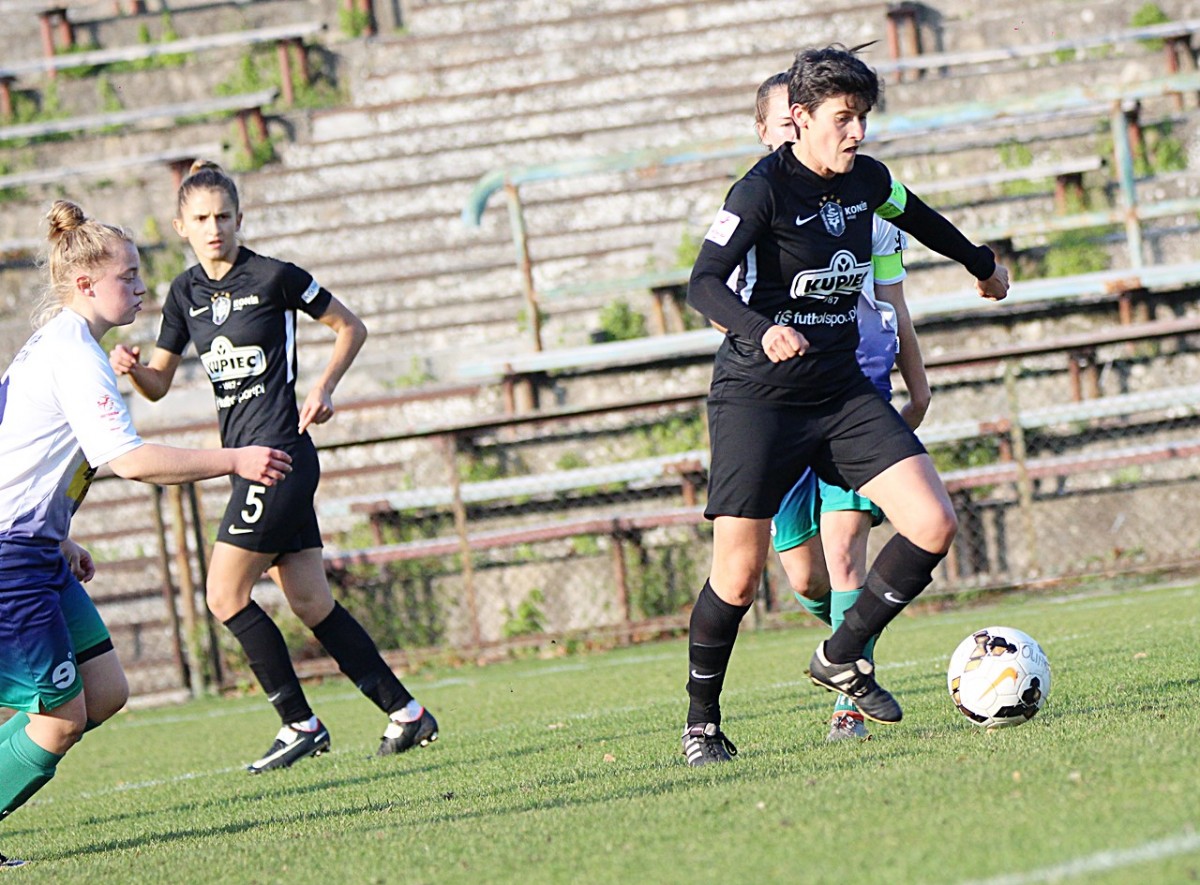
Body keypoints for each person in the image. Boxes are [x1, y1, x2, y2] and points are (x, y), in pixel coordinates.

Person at [681, 45, 1008, 766]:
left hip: (840, 391)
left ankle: (841, 653)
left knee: (933, 521)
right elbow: (702, 283)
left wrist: (981, 264)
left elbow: (921, 218)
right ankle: (701, 724)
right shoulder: (760, 191)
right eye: (842, 118)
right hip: (759, 398)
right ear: (798, 118)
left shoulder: (869, 181)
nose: (856, 131)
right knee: (738, 573)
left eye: (862, 117)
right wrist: (761, 329)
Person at [109, 161, 439, 773]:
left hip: (280, 456)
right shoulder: (183, 293)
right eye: (201, 219)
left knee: (223, 594)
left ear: (241, 219)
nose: (214, 228)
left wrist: (325, 386)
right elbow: (159, 383)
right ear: (181, 226)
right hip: (247, 462)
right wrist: (133, 370)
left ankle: (298, 723)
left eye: (223, 216)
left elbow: (350, 326)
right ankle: (406, 712)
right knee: (311, 602)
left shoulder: (275, 276)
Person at [0, 200, 292, 864]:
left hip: (34, 549)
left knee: (104, 691)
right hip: (11, 559)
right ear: (85, 284)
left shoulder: (59, 345)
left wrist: (57, 532)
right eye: (127, 276)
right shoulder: (74, 355)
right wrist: (234, 459)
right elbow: (129, 461)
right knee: (59, 717)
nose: (140, 287)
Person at [756, 73, 933, 742]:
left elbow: (893, 304)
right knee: (805, 575)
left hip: (855, 387)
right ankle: (845, 634)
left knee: (846, 552)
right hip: (777, 403)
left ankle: (848, 700)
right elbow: (719, 303)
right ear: (768, 132)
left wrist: (918, 384)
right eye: (782, 127)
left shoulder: (867, 206)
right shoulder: (756, 207)